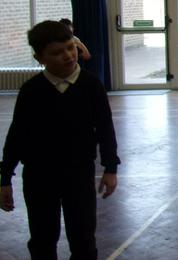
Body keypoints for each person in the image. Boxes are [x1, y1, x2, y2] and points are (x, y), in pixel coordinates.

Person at [1, 20, 119, 258]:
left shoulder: (91, 85)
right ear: (40, 58)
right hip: (39, 177)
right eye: (57, 52)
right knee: (43, 239)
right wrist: (5, 178)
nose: (67, 55)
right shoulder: (31, 91)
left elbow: (105, 128)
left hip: (78, 174)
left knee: (83, 238)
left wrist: (110, 167)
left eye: (70, 47)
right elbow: (17, 136)